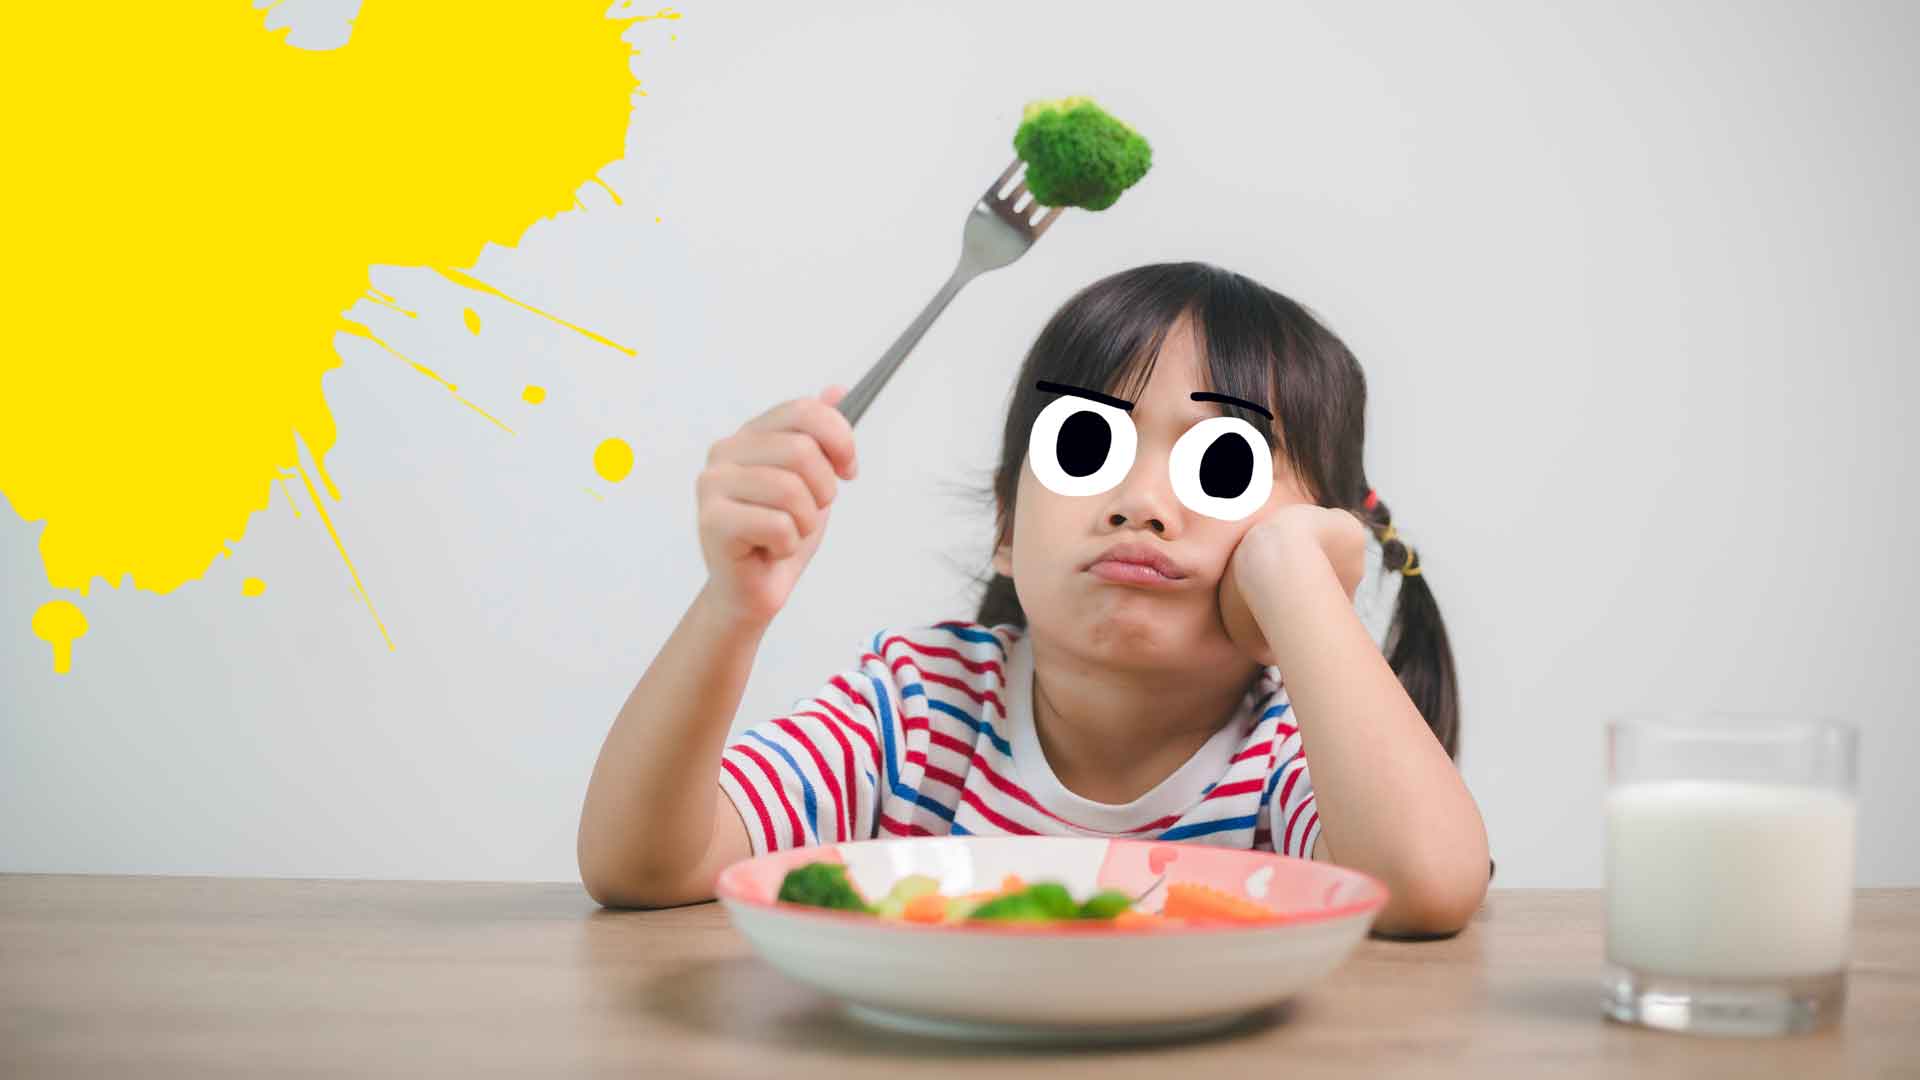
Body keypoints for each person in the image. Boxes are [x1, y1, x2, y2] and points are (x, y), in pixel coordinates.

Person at [578, 262, 1491, 936]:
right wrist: (732, 607)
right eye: (1086, 449)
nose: (1141, 501)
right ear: (1008, 525)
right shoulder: (917, 708)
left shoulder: (1293, 752)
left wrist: (1300, 586)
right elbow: (643, 866)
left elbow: (1424, 889)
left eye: (1221, 465)